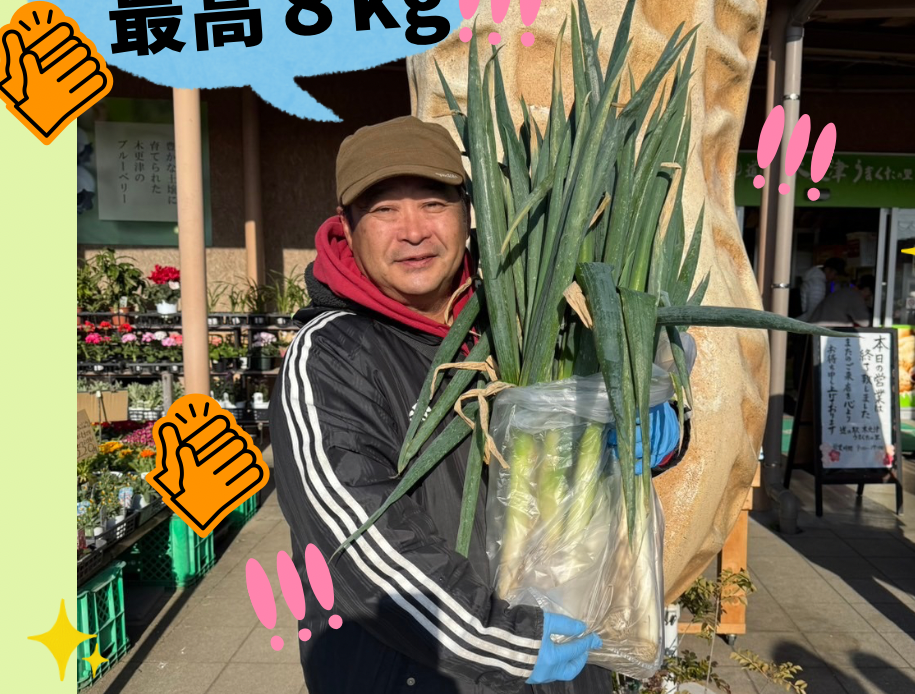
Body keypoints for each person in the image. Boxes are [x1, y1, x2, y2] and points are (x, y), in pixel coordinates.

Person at [271, 116, 682, 693]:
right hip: (426, 673)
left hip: (563, 660)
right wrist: (505, 639)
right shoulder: (331, 355)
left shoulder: (526, 317)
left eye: (434, 203)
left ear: (469, 211)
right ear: (347, 226)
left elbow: (590, 455)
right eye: (384, 210)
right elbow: (358, 542)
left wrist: (651, 415)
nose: (414, 232)